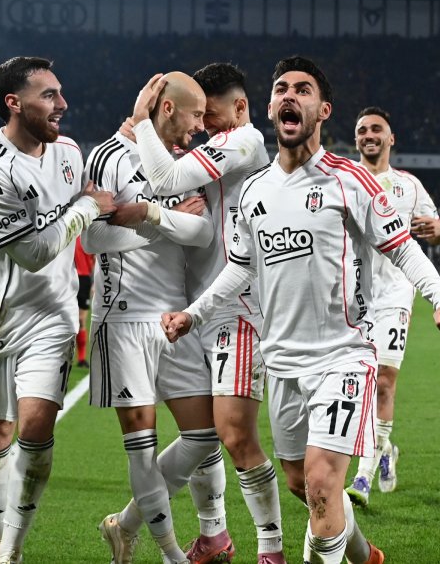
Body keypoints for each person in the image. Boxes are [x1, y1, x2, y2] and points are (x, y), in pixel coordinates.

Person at [163, 56, 440, 564]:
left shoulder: (351, 181)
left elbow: (403, 247)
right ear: (268, 107)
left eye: (303, 90)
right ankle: (366, 555)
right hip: (281, 361)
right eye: (281, 88)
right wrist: (193, 314)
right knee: (304, 485)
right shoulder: (255, 192)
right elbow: (239, 269)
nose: (289, 96)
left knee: (325, 486)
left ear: (322, 110)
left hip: (344, 357)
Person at [0, 56, 114, 564]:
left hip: (52, 312)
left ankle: (10, 552)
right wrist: (89, 206)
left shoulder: (68, 151)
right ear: (14, 104)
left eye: (60, 93)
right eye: (49, 95)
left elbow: (86, 228)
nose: (62, 104)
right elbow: (36, 250)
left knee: (37, 425)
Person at [126, 63, 283, 563]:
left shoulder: (246, 141)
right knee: (204, 435)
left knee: (232, 432)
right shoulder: (216, 148)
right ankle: (212, 533)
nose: (201, 130)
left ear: (239, 109)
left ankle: (270, 548)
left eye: (209, 118)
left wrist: (142, 122)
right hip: (197, 308)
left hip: (237, 306)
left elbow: (164, 176)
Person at [87, 71, 215, 564]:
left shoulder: (180, 165)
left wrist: (149, 215)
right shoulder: (108, 156)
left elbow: (202, 232)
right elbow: (94, 239)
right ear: (168, 109)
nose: (201, 127)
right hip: (123, 319)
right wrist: (159, 222)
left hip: (174, 318)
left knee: (205, 435)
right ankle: (171, 555)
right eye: (197, 115)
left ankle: (124, 525)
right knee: (141, 445)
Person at [344, 106, 440, 507]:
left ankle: (364, 476)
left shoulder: (409, 186)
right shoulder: (344, 180)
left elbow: (434, 231)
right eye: (362, 130)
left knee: (385, 381)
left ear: (391, 138)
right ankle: (385, 449)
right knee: (358, 390)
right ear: (356, 140)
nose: (369, 135)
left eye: (377, 129)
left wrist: (439, 231)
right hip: (351, 300)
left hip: (394, 296)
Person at [73, 236, 94, 367]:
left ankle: (81, 358)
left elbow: (98, 259)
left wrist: (96, 283)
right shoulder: (68, 231)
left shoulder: (89, 235)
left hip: (84, 280)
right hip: (68, 277)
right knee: (66, 319)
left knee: (81, 320)